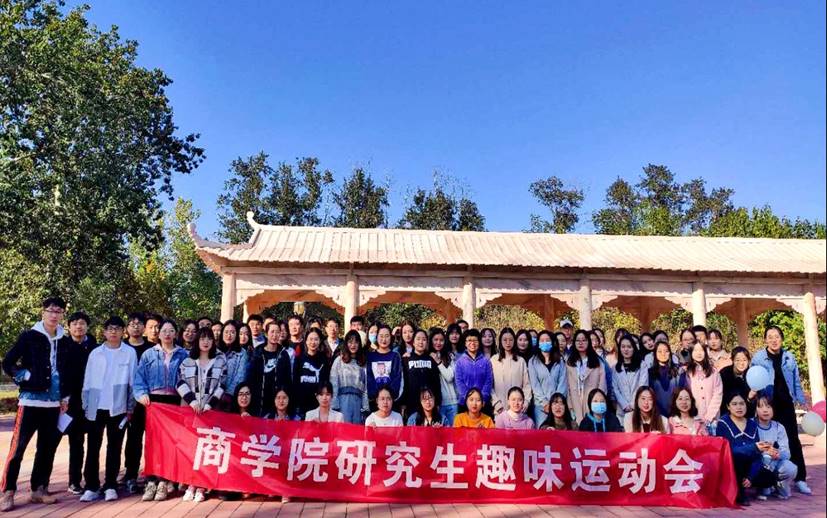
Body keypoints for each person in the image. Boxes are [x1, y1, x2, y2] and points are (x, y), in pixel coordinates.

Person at [1, 296, 70, 511]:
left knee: (46, 449)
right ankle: (8, 491)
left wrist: (65, 397)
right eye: (51, 310)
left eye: (58, 311)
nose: (54, 315)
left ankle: (39, 489)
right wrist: (25, 376)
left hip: (53, 405)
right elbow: (8, 362)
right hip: (30, 401)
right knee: (18, 448)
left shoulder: (64, 340)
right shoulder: (29, 336)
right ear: (43, 312)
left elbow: (66, 371)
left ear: (62, 315)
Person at [78, 316, 137, 502]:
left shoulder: (129, 353)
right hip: (95, 407)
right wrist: (86, 405)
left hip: (118, 408)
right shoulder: (95, 353)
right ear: (104, 332)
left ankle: (110, 484)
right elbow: (87, 381)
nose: (113, 332)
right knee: (92, 447)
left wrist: (130, 407)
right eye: (110, 328)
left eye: (117, 328)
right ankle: (91, 486)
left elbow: (133, 381)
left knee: (114, 447)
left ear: (123, 332)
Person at [751, 325, 811, 494]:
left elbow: (796, 381)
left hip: (786, 404)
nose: (773, 340)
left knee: (793, 441)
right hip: (767, 404)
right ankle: (768, 481)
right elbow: (754, 380)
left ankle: (800, 478)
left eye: (777, 336)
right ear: (765, 340)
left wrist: (801, 401)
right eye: (770, 337)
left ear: (782, 339)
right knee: (767, 441)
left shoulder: (789, 357)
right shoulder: (758, 358)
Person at [134, 319, 188, 502]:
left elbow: (188, 379)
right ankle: (151, 481)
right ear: (159, 333)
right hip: (154, 403)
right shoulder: (149, 354)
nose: (167, 334)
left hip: (174, 402)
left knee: (169, 443)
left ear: (175, 334)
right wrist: (141, 394)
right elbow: (139, 378)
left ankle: (164, 481)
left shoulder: (183, 354)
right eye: (164, 330)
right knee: (152, 443)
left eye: (171, 330)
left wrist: (185, 400)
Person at [177, 328, 227, 503]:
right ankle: (190, 483)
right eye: (202, 338)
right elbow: (180, 383)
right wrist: (192, 402)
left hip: (210, 413)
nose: (206, 342)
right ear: (197, 341)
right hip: (191, 412)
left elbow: (222, 385)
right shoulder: (187, 362)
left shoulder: (220, 362)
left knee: (207, 449)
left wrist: (209, 404)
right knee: (191, 449)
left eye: (209, 339)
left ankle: (202, 486)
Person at [59, 311, 97, 496]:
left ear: (87, 326)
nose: (78, 326)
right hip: (70, 401)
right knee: (74, 442)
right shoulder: (62, 346)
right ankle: (73, 481)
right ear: (69, 327)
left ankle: (90, 480)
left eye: (82, 323)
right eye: (74, 323)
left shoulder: (94, 348)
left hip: (92, 400)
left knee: (92, 441)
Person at [716, 392, 775, 506]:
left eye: (742, 403)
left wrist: (750, 477)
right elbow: (729, 450)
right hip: (730, 465)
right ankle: (739, 494)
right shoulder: (723, 423)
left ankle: (745, 482)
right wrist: (754, 447)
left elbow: (757, 455)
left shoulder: (752, 424)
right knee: (738, 458)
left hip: (747, 467)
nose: (739, 407)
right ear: (728, 406)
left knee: (770, 477)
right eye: (734, 404)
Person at [121, 312, 155, 493]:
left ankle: (152, 474)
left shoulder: (152, 349)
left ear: (144, 327)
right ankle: (130, 474)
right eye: (132, 323)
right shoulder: (121, 347)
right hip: (126, 402)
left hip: (149, 402)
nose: (136, 327)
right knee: (132, 439)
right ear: (127, 327)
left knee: (152, 440)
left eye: (139, 323)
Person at [755, 393, 798, 500]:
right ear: (756, 409)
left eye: (768, 407)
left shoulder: (779, 427)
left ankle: (779, 485)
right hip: (759, 463)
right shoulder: (751, 425)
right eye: (761, 407)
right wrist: (764, 452)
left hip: (775, 462)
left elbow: (787, 453)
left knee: (791, 468)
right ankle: (763, 486)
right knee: (765, 458)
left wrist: (778, 454)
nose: (765, 410)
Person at [248, 321, 292, 417]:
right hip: (259, 398)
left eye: (277, 332)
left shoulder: (284, 354)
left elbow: (288, 379)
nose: (275, 335)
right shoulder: (258, 352)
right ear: (266, 334)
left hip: (277, 400)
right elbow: (251, 377)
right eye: (272, 332)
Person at [565, 329, 607, 424]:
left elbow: (602, 385)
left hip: (593, 401)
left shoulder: (597, 362)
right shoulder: (569, 362)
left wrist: (599, 401)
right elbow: (567, 386)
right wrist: (570, 406)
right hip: (575, 401)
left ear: (588, 342)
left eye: (584, 340)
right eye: (578, 340)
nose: (581, 343)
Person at [527, 331, 567, 426]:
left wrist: (556, 402)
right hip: (541, 407)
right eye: (542, 340)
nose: (545, 342)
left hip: (558, 405)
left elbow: (563, 382)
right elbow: (535, 385)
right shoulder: (533, 361)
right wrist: (545, 403)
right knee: (543, 431)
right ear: (538, 343)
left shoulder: (560, 360)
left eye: (547, 340)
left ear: (552, 342)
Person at [330, 330, 369, 424]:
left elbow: (366, 387)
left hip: (358, 402)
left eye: (356, 342)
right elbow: (333, 383)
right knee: (343, 429)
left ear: (359, 344)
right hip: (342, 401)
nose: (353, 345)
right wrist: (334, 405)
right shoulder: (339, 360)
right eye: (350, 342)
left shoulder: (363, 362)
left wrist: (365, 407)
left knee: (356, 430)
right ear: (346, 343)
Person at [291, 328, 331, 419]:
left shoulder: (324, 360)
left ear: (320, 341)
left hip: (318, 405)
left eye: (316, 339)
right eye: (310, 339)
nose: (313, 342)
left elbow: (326, 382)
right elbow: (295, 382)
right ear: (306, 341)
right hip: (301, 405)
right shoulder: (299, 359)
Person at [491, 328, 531, 416]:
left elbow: (526, 385)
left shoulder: (520, 361)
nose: (508, 343)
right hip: (500, 409)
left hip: (518, 409)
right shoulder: (494, 360)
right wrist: (496, 403)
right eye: (505, 340)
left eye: (510, 340)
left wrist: (526, 401)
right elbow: (490, 385)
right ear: (500, 341)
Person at [402, 329, 441, 419]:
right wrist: (403, 403)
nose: (421, 342)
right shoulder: (407, 359)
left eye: (424, 339)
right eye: (418, 339)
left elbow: (437, 382)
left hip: (429, 403)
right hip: (412, 403)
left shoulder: (431, 359)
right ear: (413, 342)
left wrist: (438, 402)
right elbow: (404, 382)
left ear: (427, 342)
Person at [686, 342, 723, 433]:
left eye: (701, 350)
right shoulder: (687, 372)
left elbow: (718, 394)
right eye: (695, 350)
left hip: (712, 419)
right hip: (693, 418)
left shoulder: (713, 372)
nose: (698, 353)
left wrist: (709, 416)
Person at [454, 329, 494, 413]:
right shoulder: (460, 362)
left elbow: (488, 381)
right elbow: (459, 382)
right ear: (465, 343)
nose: (472, 343)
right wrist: (469, 399)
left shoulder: (486, 361)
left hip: (483, 404)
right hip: (464, 403)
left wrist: (482, 398)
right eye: (469, 340)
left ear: (479, 342)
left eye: (475, 340)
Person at [366, 324, 404, 409]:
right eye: (381, 336)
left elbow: (397, 377)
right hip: (374, 401)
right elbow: (369, 377)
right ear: (377, 337)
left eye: (387, 336)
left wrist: (388, 395)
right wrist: (377, 395)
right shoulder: (370, 356)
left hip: (391, 401)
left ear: (391, 337)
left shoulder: (395, 356)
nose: (384, 339)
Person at [613, 334, 647, 421]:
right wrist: (624, 405)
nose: (626, 349)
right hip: (622, 409)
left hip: (638, 407)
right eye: (623, 347)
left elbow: (643, 385)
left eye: (629, 347)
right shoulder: (615, 368)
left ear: (634, 348)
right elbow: (615, 389)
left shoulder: (641, 365)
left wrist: (632, 404)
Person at [648, 340, 687, 417]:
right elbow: (651, 395)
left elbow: (681, 392)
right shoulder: (650, 373)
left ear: (670, 353)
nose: (663, 354)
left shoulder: (679, 370)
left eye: (666, 351)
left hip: (677, 413)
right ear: (655, 353)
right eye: (659, 351)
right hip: (657, 415)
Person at [429, 328, 458, 425]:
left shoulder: (449, 356)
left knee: (453, 432)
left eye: (441, 340)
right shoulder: (427, 356)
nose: (438, 343)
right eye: (435, 340)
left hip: (451, 402)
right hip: (435, 403)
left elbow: (449, 377)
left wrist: (438, 362)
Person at [218, 320, 248, 411]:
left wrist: (229, 393)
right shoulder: (215, 351)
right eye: (226, 332)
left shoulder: (242, 353)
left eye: (232, 332)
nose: (229, 335)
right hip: (212, 396)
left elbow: (240, 375)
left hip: (230, 398)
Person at [719, 347, 757, 418]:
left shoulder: (752, 375)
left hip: (746, 414)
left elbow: (753, 406)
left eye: (744, 360)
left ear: (749, 361)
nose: (741, 363)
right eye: (737, 360)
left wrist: (749, 398)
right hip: (726, 413)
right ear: (732, 360)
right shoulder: (724, 373)